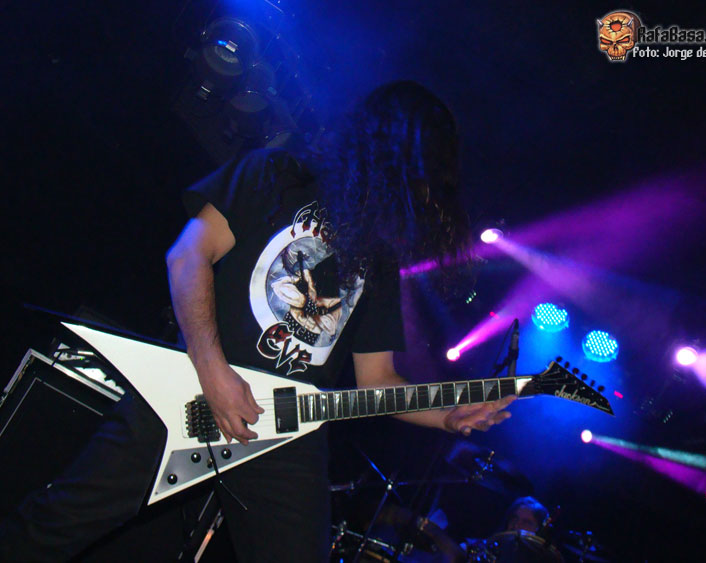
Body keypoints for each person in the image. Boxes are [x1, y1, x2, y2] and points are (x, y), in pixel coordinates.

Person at [0, 81, 515, 562]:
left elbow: (377, 379)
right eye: (423, 168)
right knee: (55, 524)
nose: (424, 189)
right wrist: (214, 373)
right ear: (390, 148)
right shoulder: (277, 175)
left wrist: (447, 415)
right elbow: (187, 256)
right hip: (191, 391)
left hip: (286, 434)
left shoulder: (378, 260)